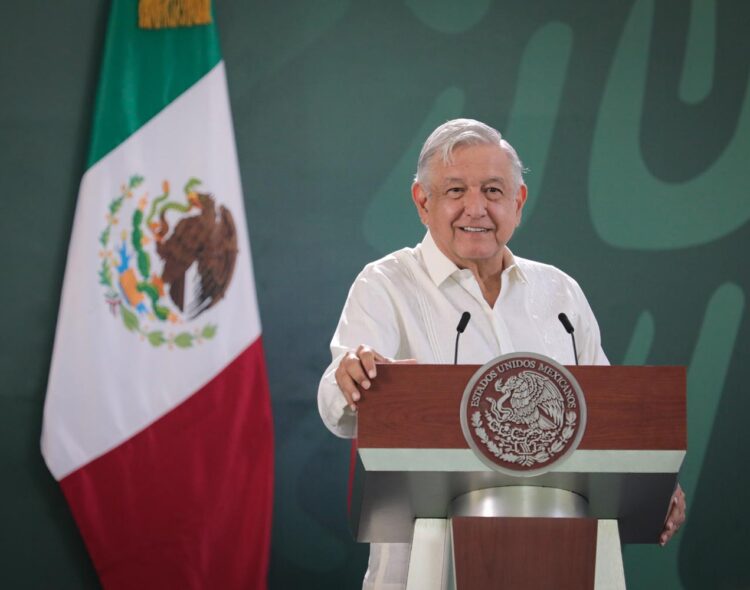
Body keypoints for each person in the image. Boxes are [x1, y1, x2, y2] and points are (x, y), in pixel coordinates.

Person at [318, 118, 686, 589]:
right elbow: (338, 406)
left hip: (563, 562)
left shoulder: (559, 294)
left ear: (518, 201)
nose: (476, 208)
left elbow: (610, 426)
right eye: (455, 190)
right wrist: (350, 378)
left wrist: (653, 484)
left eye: (493, 191)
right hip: (427, 568)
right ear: (422, 201)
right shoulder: (385, 285)